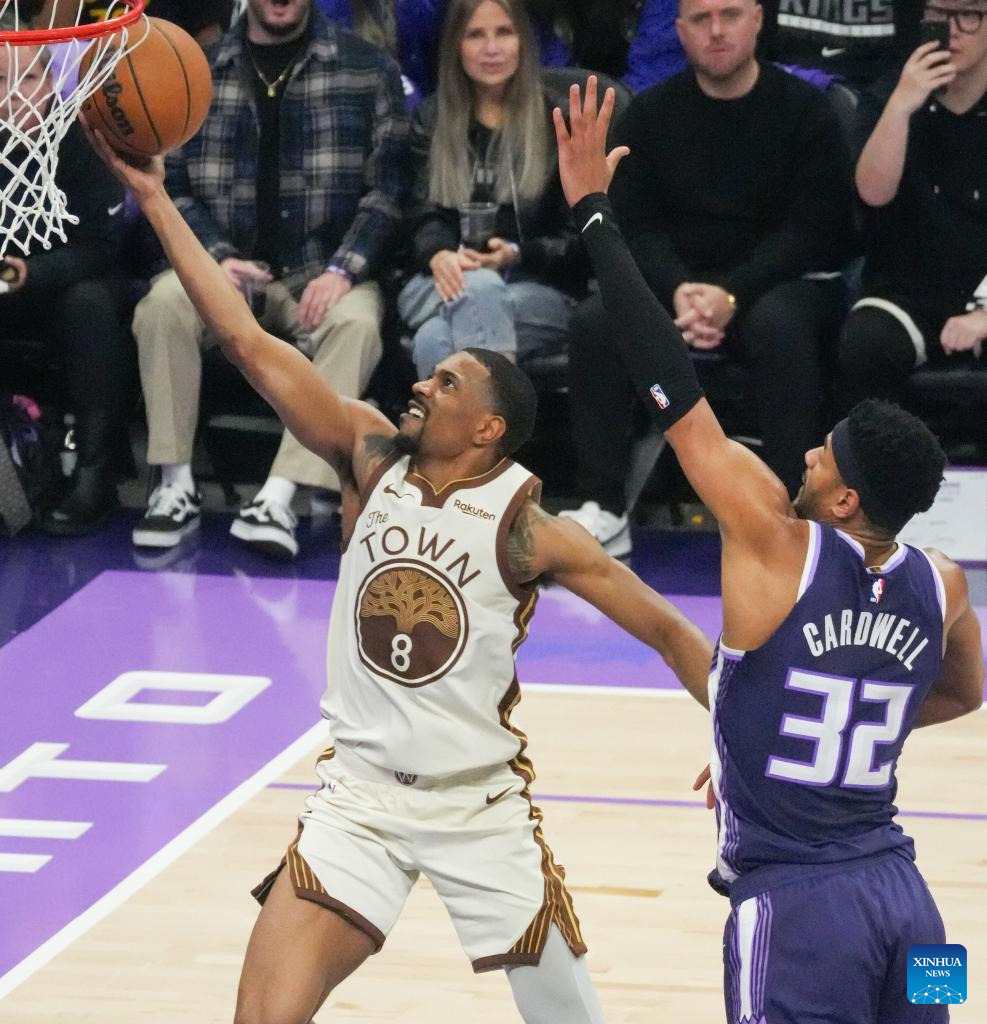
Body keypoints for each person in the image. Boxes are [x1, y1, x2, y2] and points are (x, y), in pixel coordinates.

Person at [86, 99, 715, 1020]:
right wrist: (154, 199)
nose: (423, 381)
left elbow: (665, 629)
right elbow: (249, 342)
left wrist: (738, 741)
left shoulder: (530, 529)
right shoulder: (368, 454)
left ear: (488, 428)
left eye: (447, 382)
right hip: (359, 802)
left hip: (476, 807)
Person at [555, 75, 984, 1023]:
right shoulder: (944, 583)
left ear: (844, 498)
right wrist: (788, 735)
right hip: (915, 913)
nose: (805, 455)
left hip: (796, 912)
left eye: (821, 454)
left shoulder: (774, 544)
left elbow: (671, 389)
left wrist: (593, 216)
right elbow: (963, 693)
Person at [559, 0, 853, 558]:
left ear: (758, 19)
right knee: (596, 322)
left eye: (730, 15)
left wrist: (734, 292)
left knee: (782, 324)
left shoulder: (806, 111)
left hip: (774, 284)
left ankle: (789, 511)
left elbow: (811, 229)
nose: (716, 31)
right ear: (679, 30)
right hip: (677, 287)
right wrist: (678, 290)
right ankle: (603, 505)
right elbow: (637, 225)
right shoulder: (650, 115)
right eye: (700, 19)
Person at [130, 0, 409, 560]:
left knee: (356, 324)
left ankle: (280, 494)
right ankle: (174, 484)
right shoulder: (195, 70)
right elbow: (171, 184)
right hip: (222, 267)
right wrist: (214, 258)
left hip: (323, 269)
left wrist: (343, 269)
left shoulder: (368, 67)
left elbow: (388, 191)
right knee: (162, 305)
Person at [397, 0, 586, 379]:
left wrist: (517, 254)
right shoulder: (430, 119)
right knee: (479, 289)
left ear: (523, 41)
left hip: (538, 288)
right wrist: (439, 254)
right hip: (438, 281)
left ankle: (462, 421)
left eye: (504, 32)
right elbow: (419, 211)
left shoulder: (559, 122)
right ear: (456, 45)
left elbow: (582, 237)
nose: (491, 48)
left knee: (435, 339)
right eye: (475, 35)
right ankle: (498, 419)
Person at [0, 43, 132, 535]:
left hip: (70, 286)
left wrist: (31, 274)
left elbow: (101, 245)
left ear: (53, 84)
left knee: (89, 305)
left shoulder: (81, 139)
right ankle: (11, 485)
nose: (13, 95)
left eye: (28, 80)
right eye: (0, 82)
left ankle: (96, 476)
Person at [838, 3, 987, 409]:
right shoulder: (890, 94)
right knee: (863, 344)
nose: (951, 30)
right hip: (907, 292)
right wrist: (901, 107)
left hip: (983, 287)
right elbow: (872, 194)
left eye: (968, 15)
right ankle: (870, 453)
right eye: (938, 14)